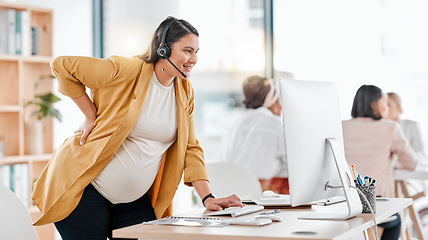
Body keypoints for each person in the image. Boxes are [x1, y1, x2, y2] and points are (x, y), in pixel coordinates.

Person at [31, 16, 243, 240]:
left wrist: (207, 197)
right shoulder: (126, 70)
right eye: (187, 50)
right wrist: (90, 115)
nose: (194, 59)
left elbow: (190, 147)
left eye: (196, 52)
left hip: (133, 202)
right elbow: (62, 66)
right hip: (87, 193)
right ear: (163, 49)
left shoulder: (184, 91)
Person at [342, 85, 417, 240]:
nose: (387, 109)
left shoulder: (341, 126)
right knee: (395, 220)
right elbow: (411, 162)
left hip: (344, 202)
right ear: (373, 104)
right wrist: (391, 160)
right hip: (376, 203)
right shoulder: (390, 127)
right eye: (385, 103)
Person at [221, 76, 288, 194]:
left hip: (231, 192)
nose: (281, 107)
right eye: (279, 101)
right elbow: (292, 164)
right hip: (261, 194)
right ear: (272, 103)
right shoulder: (276, 124)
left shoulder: (235, 125)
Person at [387, 92, 428, 166]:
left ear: (399, 108)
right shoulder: (379, 128)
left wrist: (399, 160)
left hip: (407, 173)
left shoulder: (412, 126)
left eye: (388, 105)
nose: (385, 109)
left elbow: (421, 154)